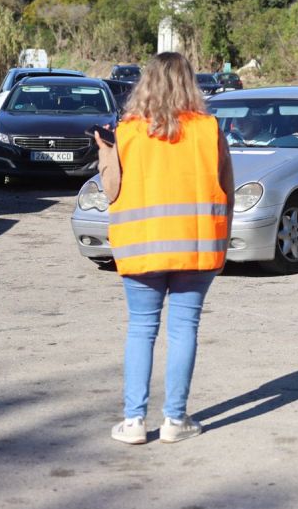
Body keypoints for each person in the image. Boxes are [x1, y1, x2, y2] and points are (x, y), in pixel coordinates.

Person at [94, 52, 234, 445]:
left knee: (141, 330)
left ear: (146, 84)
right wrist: (223, 246)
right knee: (184, 328)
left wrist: (104, 152)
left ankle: (134, 421)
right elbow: (227, 191)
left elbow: (111, 190)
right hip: (197, 247)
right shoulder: (209, 130)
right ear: (190, 84)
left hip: (140, 250)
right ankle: (175, 420)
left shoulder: (127, 132)